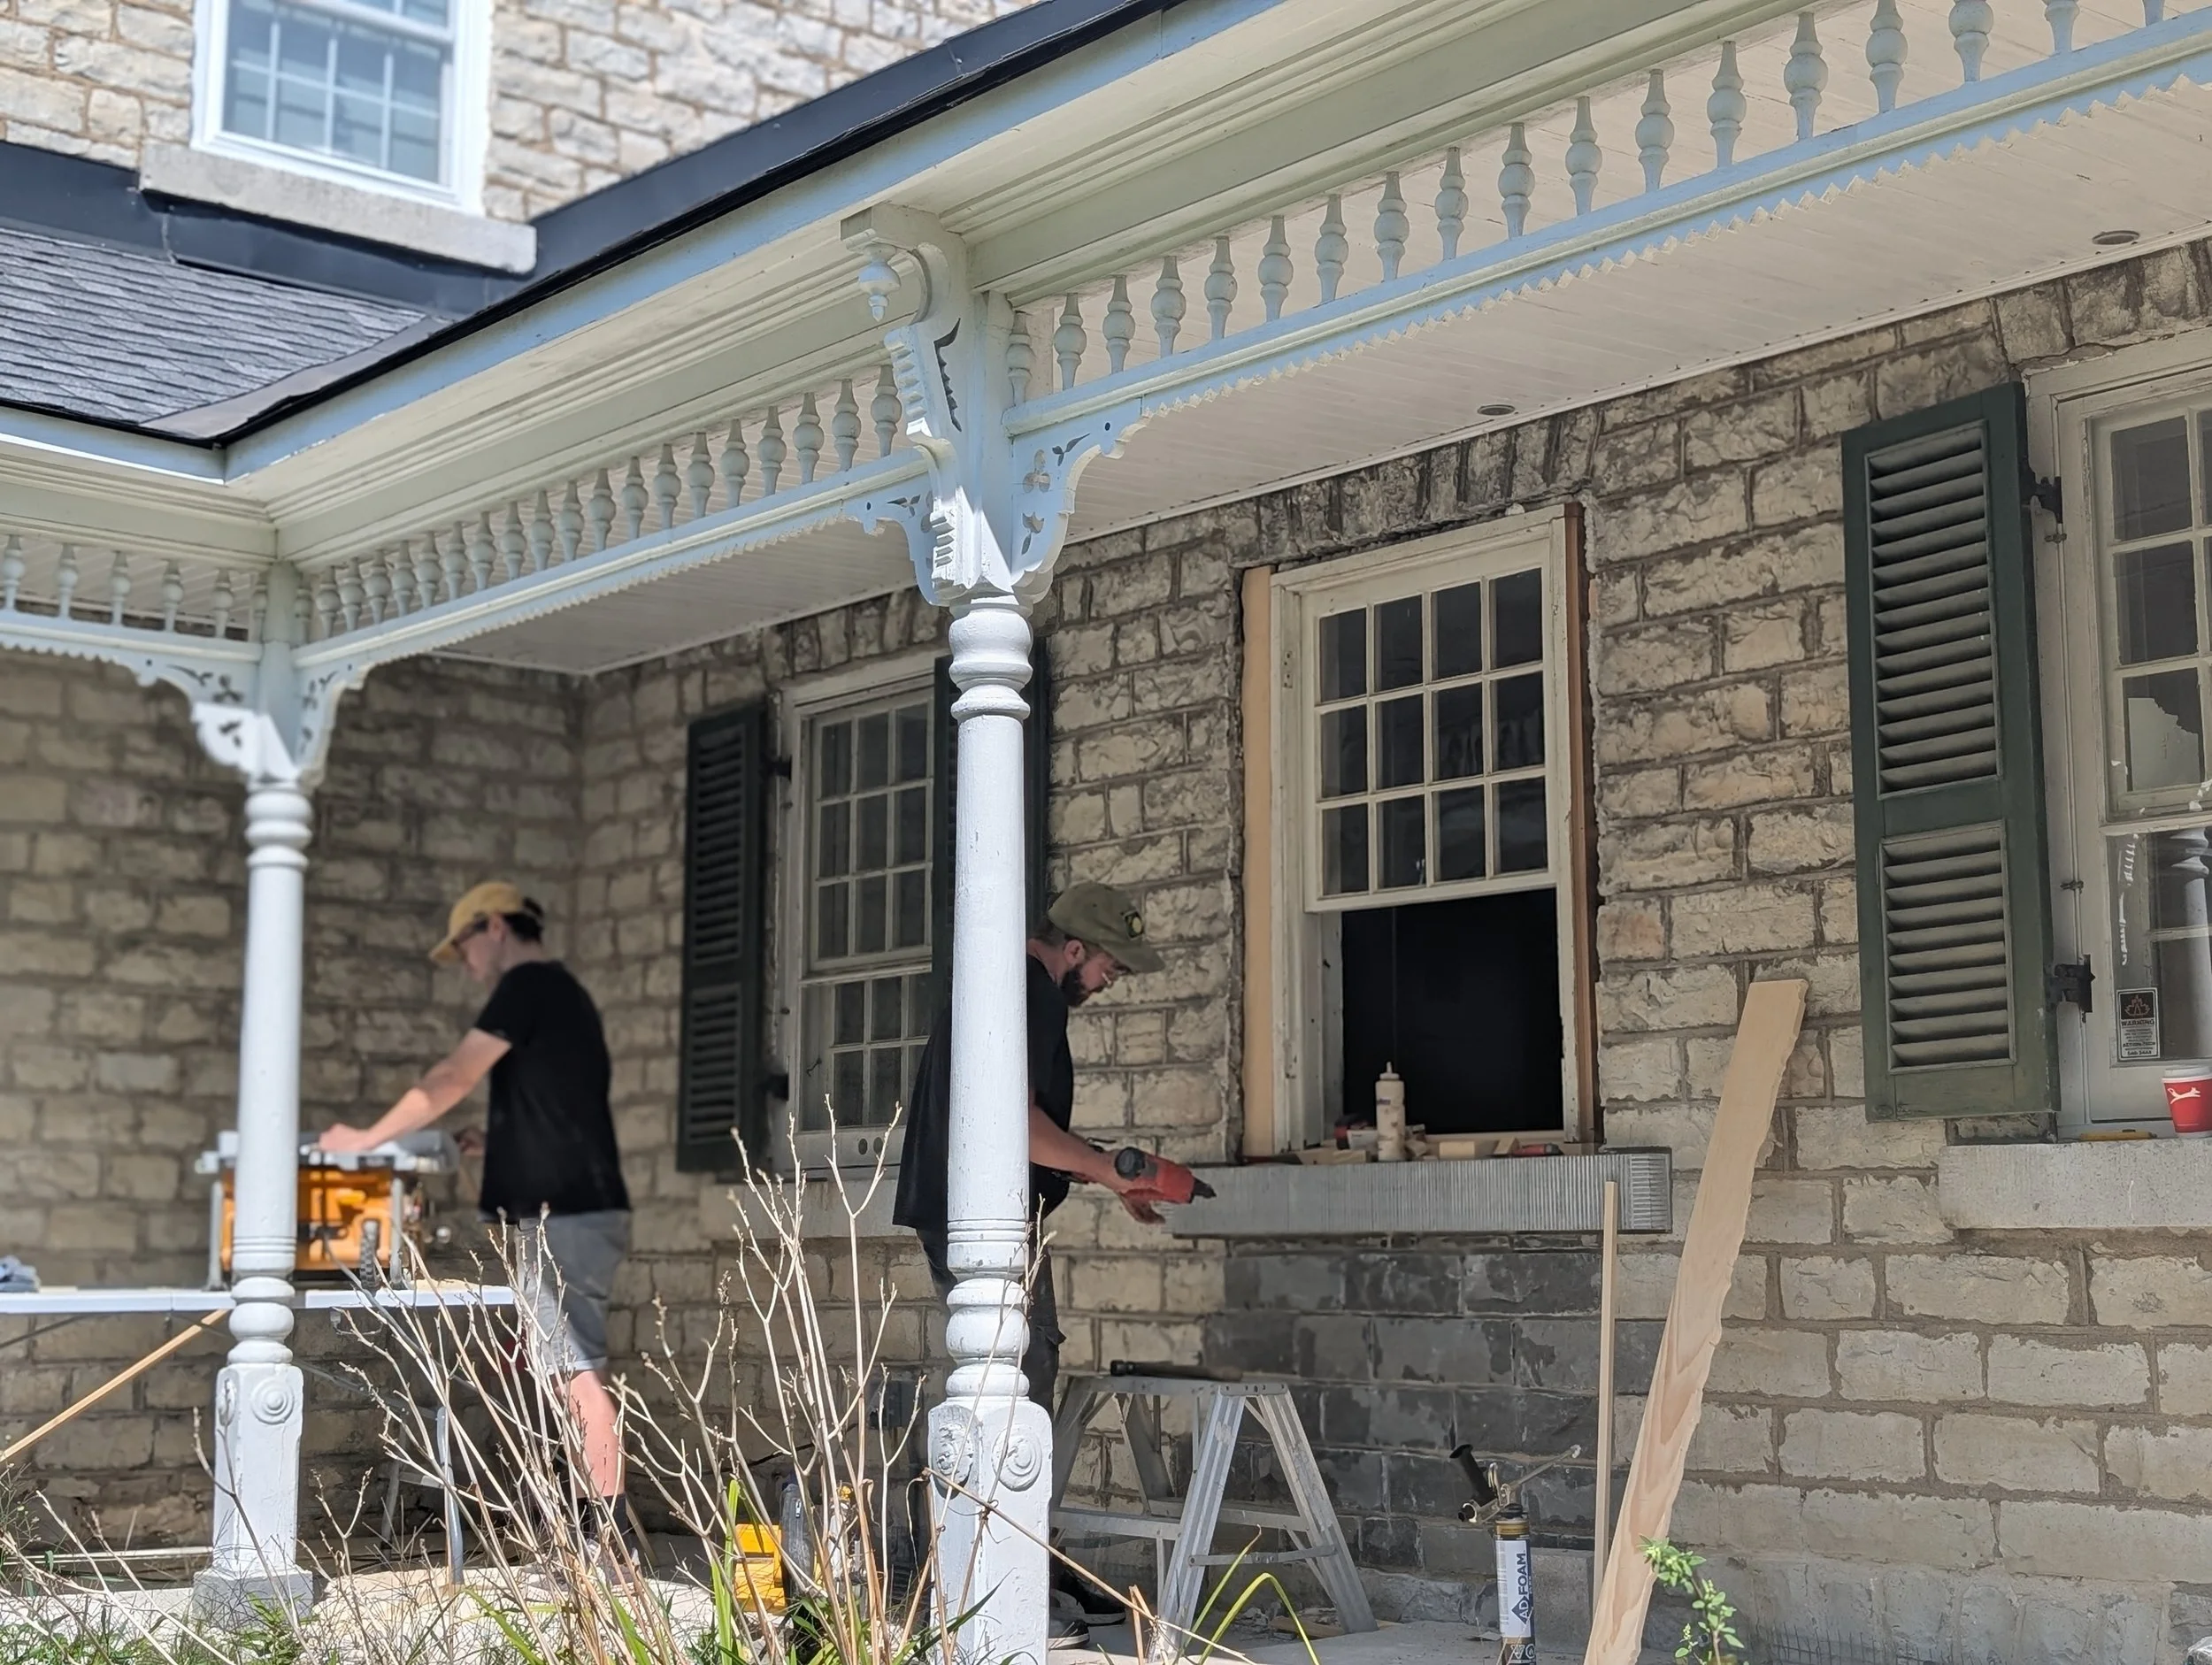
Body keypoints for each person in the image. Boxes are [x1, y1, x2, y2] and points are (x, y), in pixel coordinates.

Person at [319, 881, 635, 1558]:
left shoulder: (527, 986)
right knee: (553, 1369)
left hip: (567, 1218)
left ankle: (600, 1549)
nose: (465, 964)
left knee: (575, 1375)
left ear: (494, 926)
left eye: (463, 947)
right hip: (571, 1211)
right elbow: (567, 1110)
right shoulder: (563, 996)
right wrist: (497, 1145)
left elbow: (454, 1076)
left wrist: (367, 1138)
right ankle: (577, 1534)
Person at [894, 879, 1172, 1414]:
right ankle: (1004, 1476)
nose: (1107, 984)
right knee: (1022, 1372)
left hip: (954, 1206)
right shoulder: (1036, 994)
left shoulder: (998, 982)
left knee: (994, 1371)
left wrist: (1092, 1166)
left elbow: (1008, 1117)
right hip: (986, 1216)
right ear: (1075, 950)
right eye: (1110, 969)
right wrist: (1105, 1169)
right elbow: (1012, 1125)